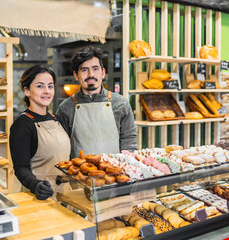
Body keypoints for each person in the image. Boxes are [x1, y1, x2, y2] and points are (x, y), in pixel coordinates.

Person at [57, 46, 137, 158]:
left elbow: (129, 142)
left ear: (103, 72)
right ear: (76, 75)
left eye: (95, 69)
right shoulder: (65, 107)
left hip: (115, 172)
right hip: (79, 173)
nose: (90, 75)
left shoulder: (121, 103)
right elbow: (62, 148)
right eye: (84, 70)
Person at [9, 65, 71, 200]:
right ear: (26, 91)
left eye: (50, 86)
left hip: (65, 194)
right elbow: (21, 168)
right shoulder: (22, 124)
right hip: (39, 195)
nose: (47, 91)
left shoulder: (57, 119)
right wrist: (35, 185)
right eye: (40, 86)